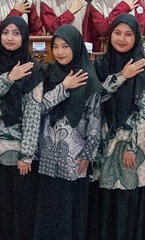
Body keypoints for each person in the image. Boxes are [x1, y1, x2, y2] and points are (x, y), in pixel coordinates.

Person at [88, 14, 145, 240]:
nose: (122, 39)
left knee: (129, 197)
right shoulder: (100, 64)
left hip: (134, 144)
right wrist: (121, 76)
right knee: (107, 196)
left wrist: (132, 146)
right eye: (117, 33)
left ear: (137, 38)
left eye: (128, 34)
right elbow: (93, 99)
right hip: (105, 142)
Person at [32, 24, 100, 240]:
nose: (60, 52)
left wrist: (88, 155)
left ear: (76, 47)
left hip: (74, 159)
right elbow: (37, 108)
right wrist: (63, 87)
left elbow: (94, 120)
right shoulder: (49, 73)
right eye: (57, 46)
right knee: (48, 210)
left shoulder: (89, 78)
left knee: (70, 212)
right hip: (47, 157)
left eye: (66, 46)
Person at [0, 15, 44, 240]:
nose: (10, 38)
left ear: (24, 37)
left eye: (16, 33)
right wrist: (8, 78)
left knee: (20, 206)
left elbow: (33, 112)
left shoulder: (32, 67)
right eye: (6, 32)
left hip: (19, 152)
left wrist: (26, 154)